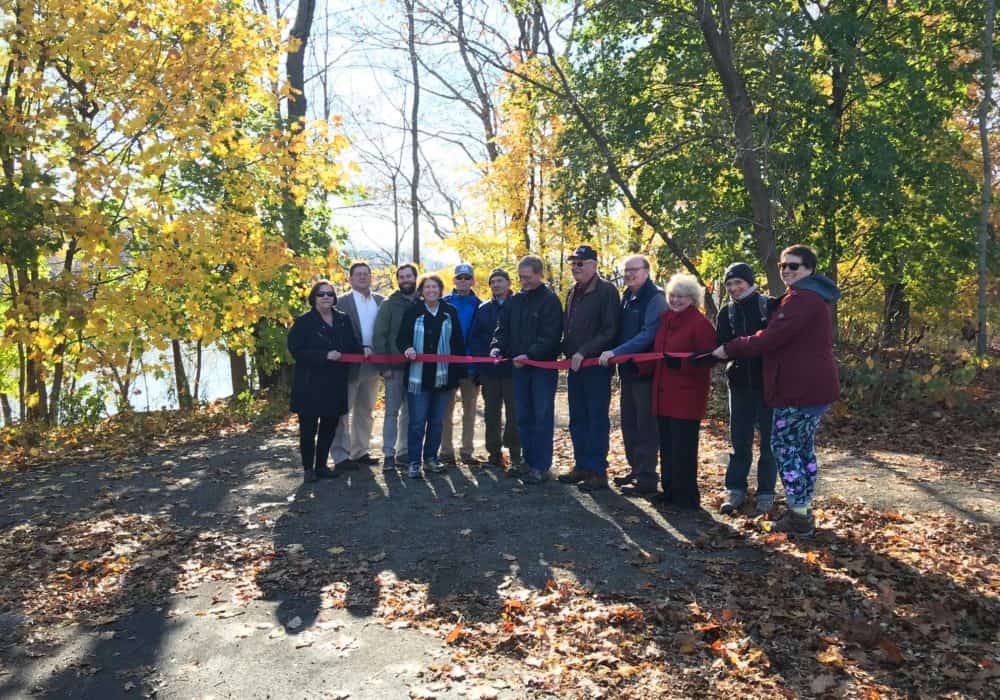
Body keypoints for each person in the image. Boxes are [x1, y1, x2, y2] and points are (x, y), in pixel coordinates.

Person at [712, 245, 840, 537]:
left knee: (785, 448)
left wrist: (730, 348)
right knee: (802, 450)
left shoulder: (803, 300)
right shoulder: (800, 298)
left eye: (794, 266)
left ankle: (798, 517)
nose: (787, 271)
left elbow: (771, 338)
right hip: (806, 387)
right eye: (783, 266)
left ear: (809, 269)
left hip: (801, 389)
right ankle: (802, 510)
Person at [646, 273, 716, 510]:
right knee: (666, 444)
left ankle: (686, 495)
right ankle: (669, 490)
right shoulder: (665, 319)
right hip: (663, 393)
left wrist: (684, 364)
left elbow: (708, 358)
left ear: (692, 299)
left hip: (687, 396)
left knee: (683, 447)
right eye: (672, 296)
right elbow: (656, 354)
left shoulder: (700, 323)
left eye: (681, 297)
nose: (675, 300)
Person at [490, 256, 563, 484]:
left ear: (539, 274)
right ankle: (528, 461)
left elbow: (551, 336)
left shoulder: (550, 300)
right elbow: (502, 329)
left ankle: (541, 465)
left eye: (528, 277)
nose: (524, 281)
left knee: (541, 416)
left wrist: (530, 355)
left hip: (541, 369)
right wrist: (496, 346)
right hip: (519, 369)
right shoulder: (516, 300)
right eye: (521, 277)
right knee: (523, 416)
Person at [599, 255, 667, 496]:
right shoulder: (627, 297)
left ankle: (647, 477)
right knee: (629, 424)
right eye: (626, 271)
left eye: (634, 270)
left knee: (645, 426)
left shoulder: (655, 298)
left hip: (645, 374)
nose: (629, 274)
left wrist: (616, 352)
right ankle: (636, 470)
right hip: (627, 372)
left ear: (647, 271)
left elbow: (648, 335)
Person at [556, 245, 621, 492]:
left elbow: (610, 330)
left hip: (596, 366)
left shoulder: (606, 291)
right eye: (573, 263)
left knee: (596, 418)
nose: (575, 267)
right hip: (575, 367)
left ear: (594, 264)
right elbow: (568, 327)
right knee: (578, 418)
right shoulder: (573, 291)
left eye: (580, 263)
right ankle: (582, 464)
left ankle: (597, 471)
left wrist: (585, 351)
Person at [716, 262, 778, 515]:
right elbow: (720, 345)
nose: (734, 288)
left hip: (769, 384)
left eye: (738, 282)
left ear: (750, 282)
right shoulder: (725, 312)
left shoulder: (770, 306)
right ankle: (735, 489)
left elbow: (777, 340)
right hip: (739, 384)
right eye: (729, 284)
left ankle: (766, 492)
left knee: (769, 442)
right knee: (739, 440)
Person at [287, 281, 362, 483]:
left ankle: (321, 465)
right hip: (309, 383)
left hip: (335, 382)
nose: (326, 297)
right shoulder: (304, 322)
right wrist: (324, 355)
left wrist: (365, 352)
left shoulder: (343, 319)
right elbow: (296, 350)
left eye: (329, 294)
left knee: (329, 426)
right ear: (314, 298)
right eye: (321, 294)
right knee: (308, 429)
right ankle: (308, 469)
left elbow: (352, 345)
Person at [397, 274, 466, 479]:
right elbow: (401, 337)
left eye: (434, 287)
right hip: (418, 377)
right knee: (417, 421)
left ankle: (431, 458)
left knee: (437, 421)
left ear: (440, 290)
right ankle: (414, 462)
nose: (431, 291)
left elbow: (458, 342)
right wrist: (407, 347)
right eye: (427, 287)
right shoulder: (413, 311)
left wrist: (459, 375)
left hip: (443, 377)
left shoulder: (449, 311)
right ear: (421, 290)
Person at [329, 262, 384, 469]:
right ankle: (341, 456)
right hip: (348, 366)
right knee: (342, 412)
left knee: (366, 410)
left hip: (373, 365)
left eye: (366, 274)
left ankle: (360, 451)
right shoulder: (341, 303)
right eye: (358, 274)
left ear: (371, 277)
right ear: (350, 279)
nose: (362, 277)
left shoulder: (380, 301)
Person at [467, 268, 521, 469]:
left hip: (512, 370)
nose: (496, 285)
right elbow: (475, 338)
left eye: (500, 281)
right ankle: (494, 453)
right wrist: (483, 361)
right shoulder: (483, 309)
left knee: (514, 412)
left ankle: (516, 454)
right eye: (493, 282)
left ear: (508, 283)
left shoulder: (518, 305)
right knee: (491, 414)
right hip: (489, 372)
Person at [373, 263, 419, 470]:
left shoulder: (423, 301)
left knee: (410, 412)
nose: (405, 280)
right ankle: (389, 454)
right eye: (401, 277)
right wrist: (384, 366)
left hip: (417, 368)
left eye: (409, 276)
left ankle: (404, 451)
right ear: (398, 280)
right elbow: (379, 336)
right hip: (394, 366)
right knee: (392, 412)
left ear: (415, 277)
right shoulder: (389, 304)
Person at [440, 263, 482, 465]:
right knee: (445, 410)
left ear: (473, 280)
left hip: (471, 365)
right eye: (460, 277)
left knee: (470, 410)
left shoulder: (480, 305)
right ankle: (446, 451)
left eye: (467, 277)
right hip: (447, 365)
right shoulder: (443, 302)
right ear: (454, 280)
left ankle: (467, 450)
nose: (463, 281)